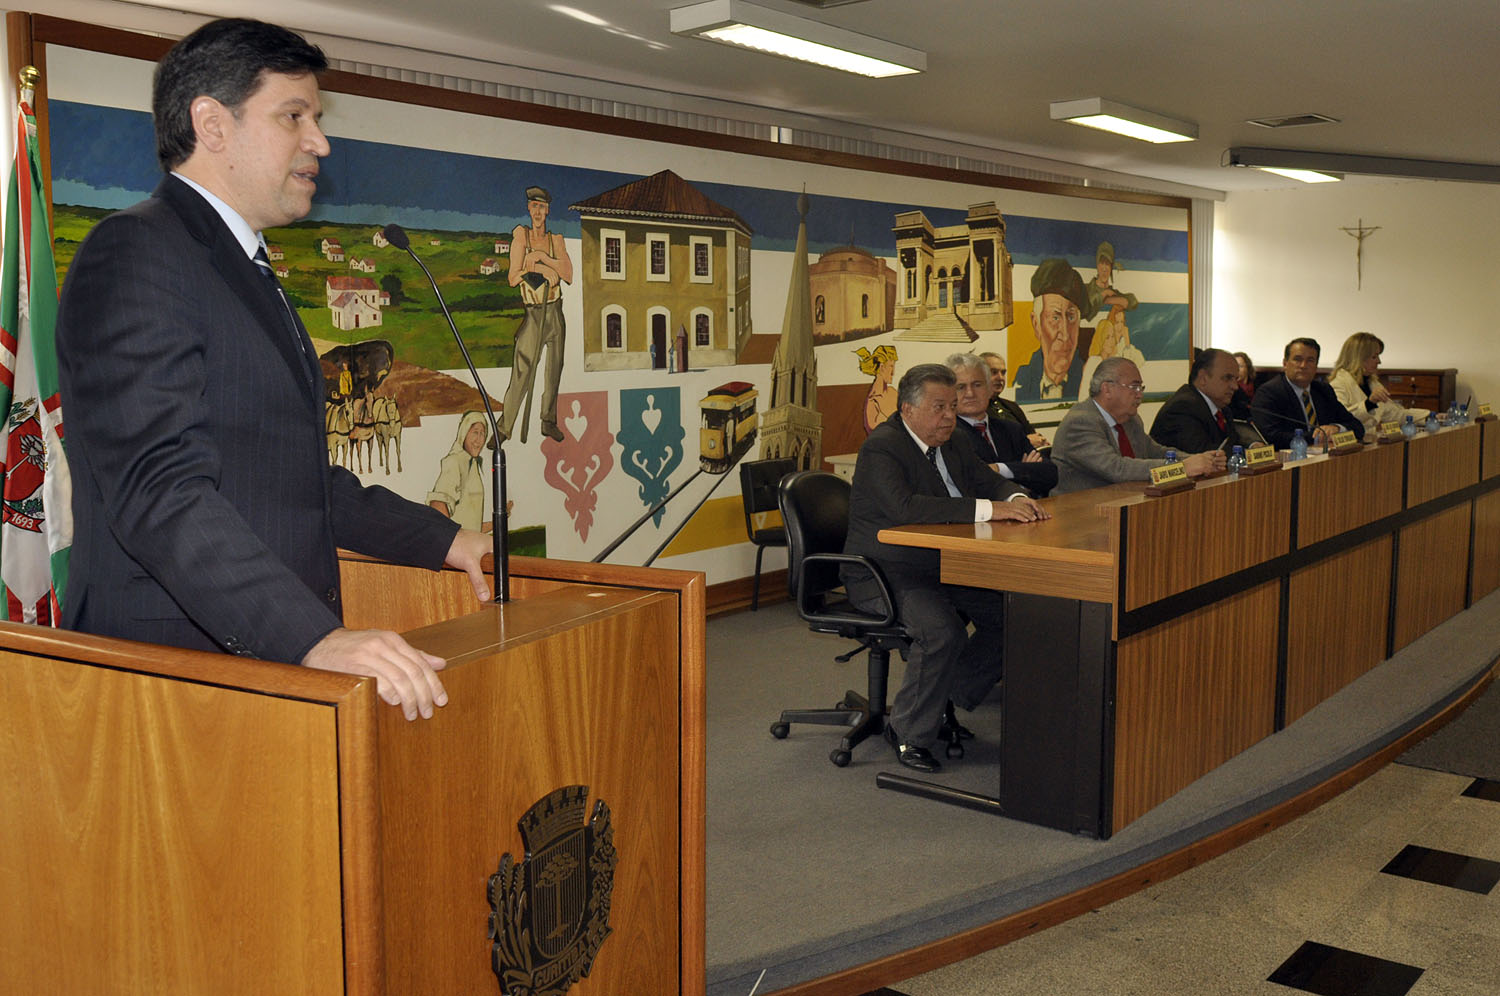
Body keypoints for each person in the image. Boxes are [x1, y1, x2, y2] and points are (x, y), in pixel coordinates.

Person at [55, 18, 491, 722]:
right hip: (173, 687)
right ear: (212, 123)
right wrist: (313, 637)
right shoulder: (137, 253)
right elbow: (159, 491)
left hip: (254, 674)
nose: (319, 141)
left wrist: (444, 540)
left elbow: (292, 478)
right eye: (294, 116)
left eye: (315, 119)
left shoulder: (247, 271)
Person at [842, 364, 1049, 772]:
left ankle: (938, 698)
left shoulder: (952, 441)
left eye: (953, 407)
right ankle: (908, 733)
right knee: (941, 632)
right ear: (907, 409)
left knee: (1017, 614)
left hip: (946, 562)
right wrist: (993, 510)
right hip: (884, 570)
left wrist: (1018, 496)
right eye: (940, 407)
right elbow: (905, 508)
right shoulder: (883, 447)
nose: (950, 416)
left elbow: (987, 482)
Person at [1052, 357, 1226, 494]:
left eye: (1141, 388)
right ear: (1107, 389)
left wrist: (1197, 460)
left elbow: (1155, 451)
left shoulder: (1130, 420)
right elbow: (1116, 468)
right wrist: (1181, 468)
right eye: (1134, 387)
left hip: (1122, 502)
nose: (1140, 395)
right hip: (1081, 512)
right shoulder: (1081, 422)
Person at [500, 184, 573, 443]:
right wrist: (541, 272)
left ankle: (548, 421)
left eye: (542, 207)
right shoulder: (521, 237)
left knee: (554, 368)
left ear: (548, 210)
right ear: (529, 209)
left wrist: (543, 257)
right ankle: (505, 427)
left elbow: (568, 274)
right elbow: (512, 277)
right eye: (534, 206)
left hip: (554, 311)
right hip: (533, 312)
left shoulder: (556, 240)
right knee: (522, 368)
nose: (538, 212)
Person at [947, 353, 1058, 497]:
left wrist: (1000, 469)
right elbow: (974, 484)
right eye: (961, 387)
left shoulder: (1010, 429)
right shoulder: (948, 434)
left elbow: (1051, 474)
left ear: (988, 388)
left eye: (977, 385)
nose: (970, 393)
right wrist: (1023, 474)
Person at [1250, 337, 1365, 449]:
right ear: (1285, 363)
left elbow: (1358, 427)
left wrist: (1337, 428)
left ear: (1316, 366)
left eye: (1310, 360)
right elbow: (1272, 437)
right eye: (1297, 359)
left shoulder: (1323, 390)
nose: (1303, 365)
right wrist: (1319, 435)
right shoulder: (1269, 392)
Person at [1012, 258, 1089, 403]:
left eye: (1071, 317)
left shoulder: (1089, 381)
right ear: (1036, 325)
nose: (1065, 335)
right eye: (1055, 318)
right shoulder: (1022, 379)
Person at [1150, 348, 1253, 453]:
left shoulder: (1223, 410)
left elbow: (1232, 444)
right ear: (1203, 378)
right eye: (1227, 378)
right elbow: (1206, 455)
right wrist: (1248, 454)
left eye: (1235, 379)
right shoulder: (1183, 408)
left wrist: (1252, 446)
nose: (1235, 386)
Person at [1328, 332, 1428, 433]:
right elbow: (1342, 421)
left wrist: (1429, 417)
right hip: (1354, 445)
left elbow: (1395, 414)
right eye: (1374, 357)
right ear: (1359, 358)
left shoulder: (1372, 383)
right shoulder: (1338, 385)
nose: (1379, 361)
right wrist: (1369, 404)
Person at [428, 411, 490, 530]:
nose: (479, 440)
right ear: (464, 433)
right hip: (459, 548)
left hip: (470, 546)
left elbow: (470, 526)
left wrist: (502, 517)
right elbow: (437, 504)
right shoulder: (454, 461)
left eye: (482, 434)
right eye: (475, 432)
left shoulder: (472, 464)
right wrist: (453, 541)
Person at [979, 350, 1048, 449]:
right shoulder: (976, 410)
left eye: (1003, 373)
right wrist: (1025, 442)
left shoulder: (1012, 406)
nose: (1000, 378)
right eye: (993, 372)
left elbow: (1032, 434)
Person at [1082, 241, 1138, 321]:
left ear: (1111, 267)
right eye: (1101, 263)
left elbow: (1133, 302)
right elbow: (1086, 311)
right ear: (1097, 265)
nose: (1104, 269)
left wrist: (1109, 299)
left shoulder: (1113, 293)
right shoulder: (1085, 289)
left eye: (1107, 264)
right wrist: (1103, 294)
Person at [856, 343, 898, 433]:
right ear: (882, 367)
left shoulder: (893, 393)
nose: (893, 372)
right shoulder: (873, 401)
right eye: (891, 366)